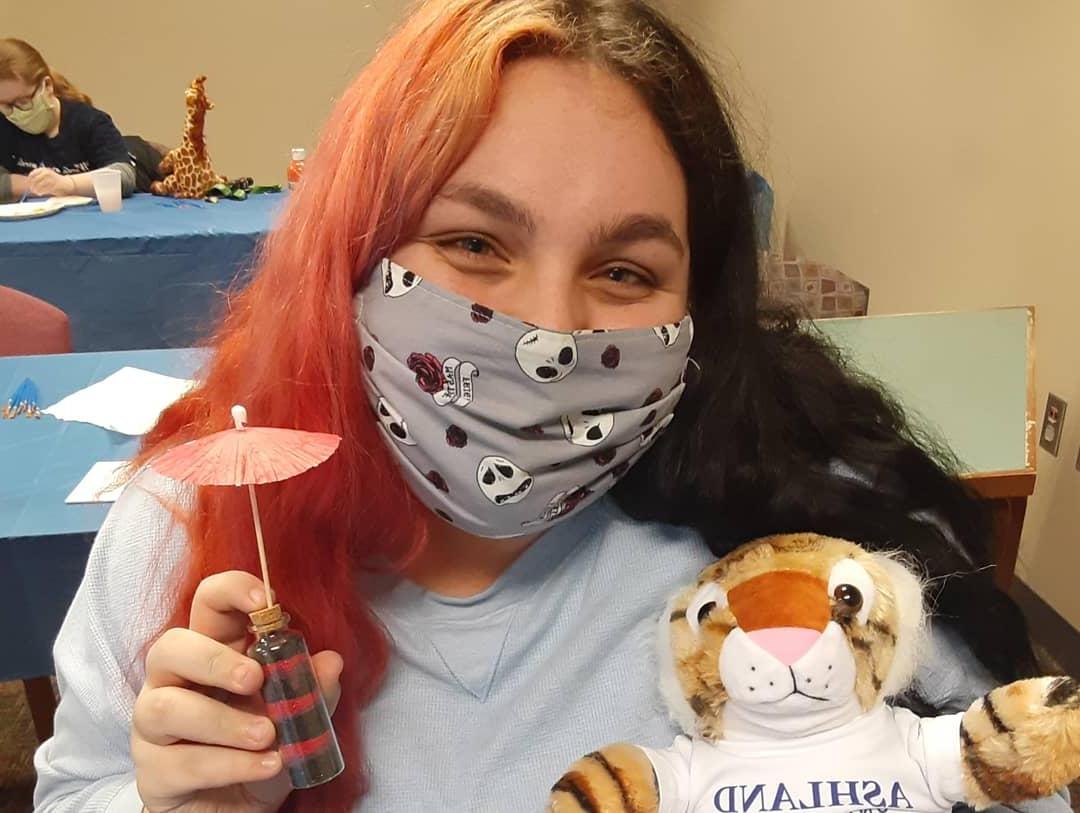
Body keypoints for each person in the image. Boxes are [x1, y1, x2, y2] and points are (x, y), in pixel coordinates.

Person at [32, 1, 1062, 811]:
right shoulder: (189, 532)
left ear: (699, 307)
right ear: (350, 253)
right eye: (475, 244)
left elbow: (1007, 771)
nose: (550, 330)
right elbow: (76, 787)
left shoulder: (818, 546)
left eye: (624, 269)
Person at [0, 38, 135, 203]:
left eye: (22, 102)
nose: (15, 113)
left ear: (47, 86)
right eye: (6, 105)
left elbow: (124, 176)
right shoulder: (5, 126)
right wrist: (35, 185)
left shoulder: (89, 122)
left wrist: (68, 184)